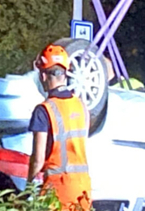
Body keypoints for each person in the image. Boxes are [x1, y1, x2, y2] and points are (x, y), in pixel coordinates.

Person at [28, 44, 92, 210]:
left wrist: (29, 190)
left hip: (57, 193)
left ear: (43, 75)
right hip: (83, 190)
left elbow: (38, 159)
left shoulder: (44, 110)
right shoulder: (82, 106)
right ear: (65, 73)